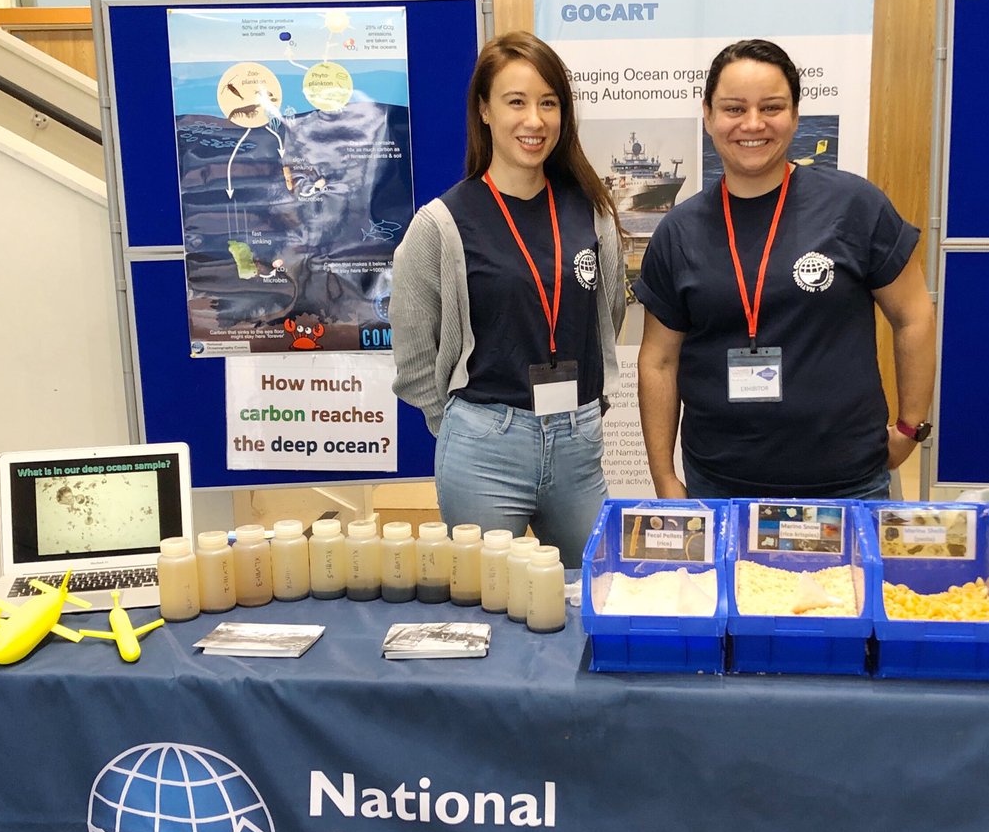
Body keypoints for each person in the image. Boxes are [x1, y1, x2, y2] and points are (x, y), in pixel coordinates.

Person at [634, 38, 935, 501]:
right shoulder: (679, 231)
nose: (753, 124)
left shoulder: (854, 206)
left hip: (847, 483)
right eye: (734, 108)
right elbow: (658, 359)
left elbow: (913, 314)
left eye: (771, 107)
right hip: (720, 485)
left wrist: (911, 426)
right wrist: (664, 478)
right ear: (708, 115)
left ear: (794, 115)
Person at [390, 31, 625, 564]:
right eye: (516, 102)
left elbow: (606, 319)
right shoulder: (443, 223)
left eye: (548, 102)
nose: (534, 120)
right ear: (485, 111)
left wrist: (585, 410)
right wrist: (456, 424)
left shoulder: (590, 212)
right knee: (486, 611)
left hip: (577, 442)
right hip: (486, 446)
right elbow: (414, 353)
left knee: (595, 590)